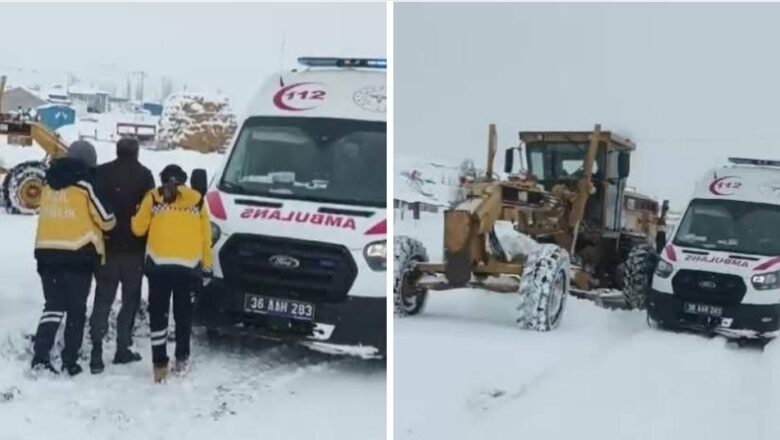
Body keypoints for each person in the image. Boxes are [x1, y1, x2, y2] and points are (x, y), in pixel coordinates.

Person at [31, 140, 116, 376]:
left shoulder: (48, 183)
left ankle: (40, 356)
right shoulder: (86, 185)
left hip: (46, 253)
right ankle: (70, 360)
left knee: (53, 305)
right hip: (77, 255)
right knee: (76, 309)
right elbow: (107, 219)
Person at [131, 164, 212, 383]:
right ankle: (182, 359)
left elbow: (137, 229)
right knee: (183, 314)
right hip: (188, 266)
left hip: (159, 265)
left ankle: (159, 366)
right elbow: (206, 237)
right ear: (184, 181)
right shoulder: (197, 201)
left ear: (163, 178)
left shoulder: (154, 197)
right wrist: (207, 265)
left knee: (158, 315)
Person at [88, 137, 155, 374]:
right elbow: (150, 213)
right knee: (130, 301)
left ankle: (96, 352)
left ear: (117, 151)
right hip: (134, 251)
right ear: (136, 153)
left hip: (107, 248)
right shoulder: (145, 176)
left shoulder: (101, 173)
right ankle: (122, 348)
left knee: (103, 300)